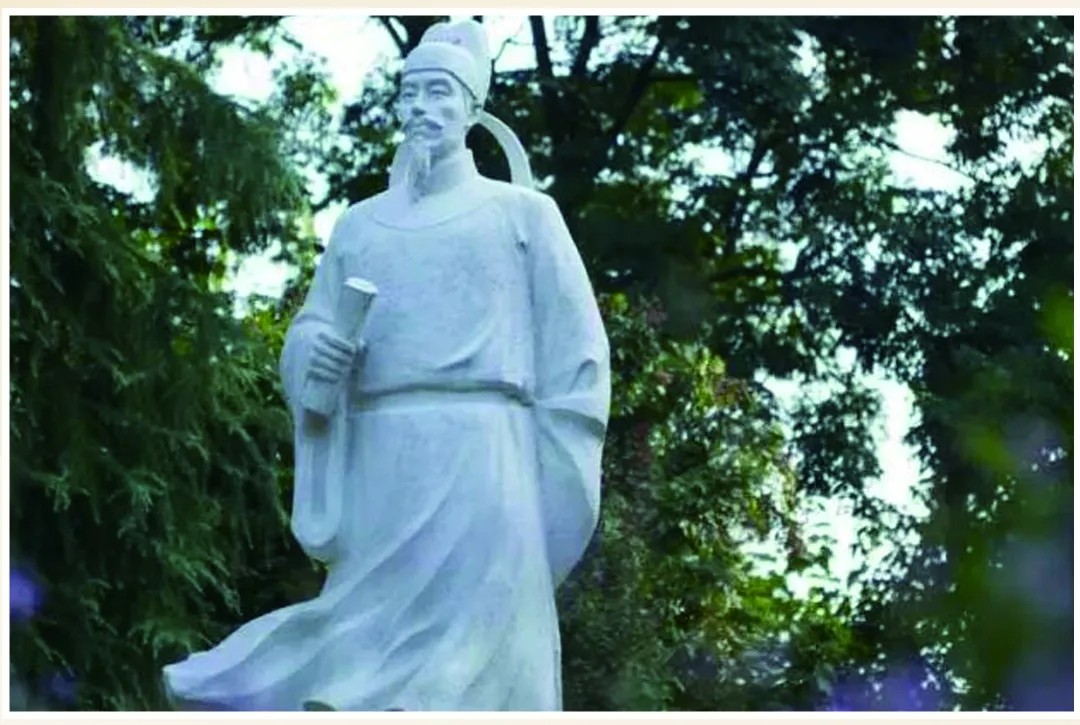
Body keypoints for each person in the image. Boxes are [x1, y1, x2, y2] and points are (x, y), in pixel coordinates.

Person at [162, 19, 610, 711]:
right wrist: (317, 355)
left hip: (486, 460)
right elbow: (312, 328)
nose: (423, 108)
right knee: (361, 643)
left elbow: (577, 359)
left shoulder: (525, 215)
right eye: (411, 93)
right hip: (381, 462)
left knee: (478, 654)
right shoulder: (360, 225)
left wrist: (551, 487)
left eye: (440, 92)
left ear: (472, 107)